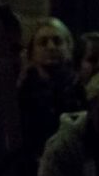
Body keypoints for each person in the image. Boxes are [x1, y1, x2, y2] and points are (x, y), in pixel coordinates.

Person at [18, 17, 81, 157]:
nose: (51, 47)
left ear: (69, 48)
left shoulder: (80, 91)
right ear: (31, 51)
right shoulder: (22, 95)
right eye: (43, 42)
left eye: (57, 41)